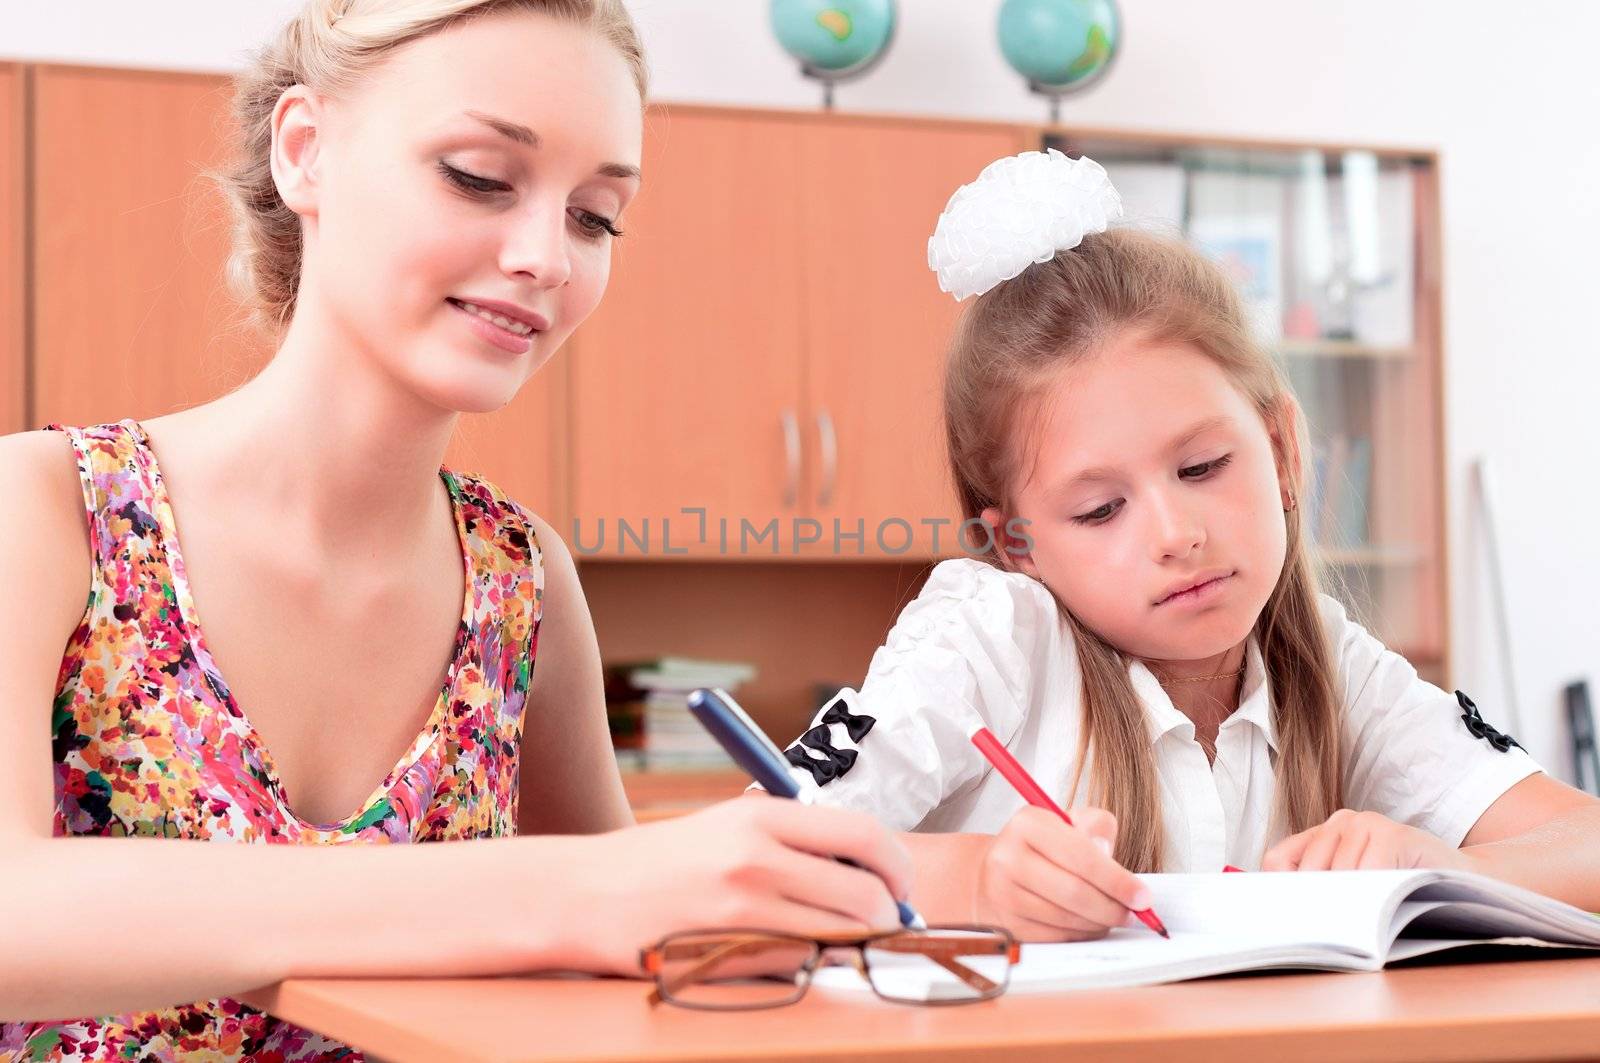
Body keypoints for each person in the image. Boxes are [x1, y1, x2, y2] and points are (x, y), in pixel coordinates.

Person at [0, 2, 909, 1057]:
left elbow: (618, 972)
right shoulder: (44, 508)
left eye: (595, 215)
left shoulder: (521, 581)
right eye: (480, 176)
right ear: (307, 153)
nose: (547, 257)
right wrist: (567, 889)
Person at [773, 149, 1600, 943]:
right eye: (1100, 511)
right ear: (1016, 542)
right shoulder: (991, 636)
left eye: (1203, 465)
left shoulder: (1334, 669)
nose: (1176, 535)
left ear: (1281, 448)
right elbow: (766, 847)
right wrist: (975, 877)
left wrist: (1447, 869)